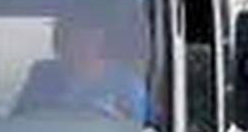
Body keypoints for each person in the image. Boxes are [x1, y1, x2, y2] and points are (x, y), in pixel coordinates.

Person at [12, 18, 150, 121]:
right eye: (69, 38)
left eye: (86, 39)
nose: (77, 46)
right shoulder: (42, 74)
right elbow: (18, 120)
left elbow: (140, 131)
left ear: (100, 42)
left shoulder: (126, 83)